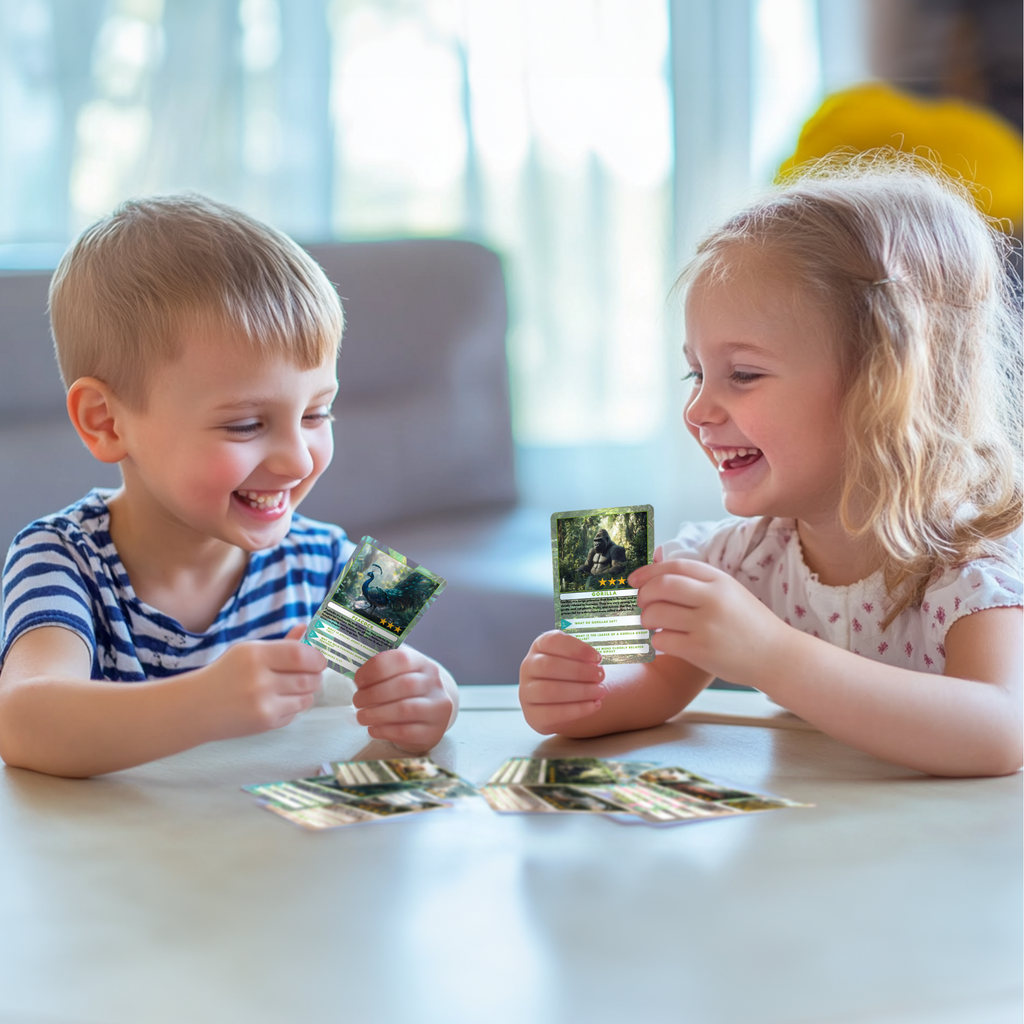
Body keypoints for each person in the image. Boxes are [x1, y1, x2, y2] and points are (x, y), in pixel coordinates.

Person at [520, 153, 1023, 777]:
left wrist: (771, 654)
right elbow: (649, 690)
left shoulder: (967, 563)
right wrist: (577, 692)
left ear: (884, 386)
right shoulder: (742, 563)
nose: (698, 409)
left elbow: (1000, 733)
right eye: (695, 373)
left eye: (744, 375)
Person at [0, 195, 458, 777]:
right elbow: (22, 720)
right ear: (106, 422)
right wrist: (201, 704)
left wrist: (429, 695)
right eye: (245, 424)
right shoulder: (59, 557)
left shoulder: (331, 561)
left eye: (317, 414)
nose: (297, 458)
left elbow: (436, 685)